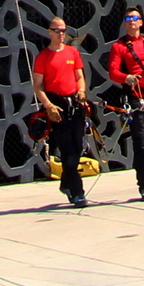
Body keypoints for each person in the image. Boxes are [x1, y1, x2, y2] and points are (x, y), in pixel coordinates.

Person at [106, 5, 144, 201]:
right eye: (128, 19)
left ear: (141, 22)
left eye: (135, 18)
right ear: (125, 25)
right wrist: (126, 78)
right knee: (140, 142)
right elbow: (113, 72)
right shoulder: (119, 47)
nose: (132, 21)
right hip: (135, 97)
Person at [32, 15, 91, 207]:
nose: (61, 34)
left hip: (74, 102)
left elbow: (79, 77)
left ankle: (66, 183)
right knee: (68, 150)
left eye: (64, 30)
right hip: (56, 104)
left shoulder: (73, 53)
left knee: (79, 147)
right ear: (50, 32)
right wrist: (48, 106)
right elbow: (38, 86)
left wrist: (81, 91)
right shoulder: (43, 57)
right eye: (57, 30)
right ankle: (77, 192)